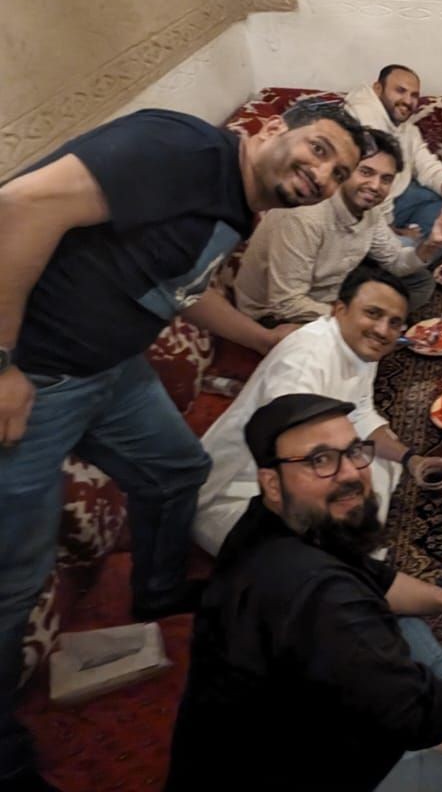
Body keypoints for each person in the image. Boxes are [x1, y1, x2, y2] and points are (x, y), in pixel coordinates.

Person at [0, 102, 364, 789]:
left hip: (112, 370)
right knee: (12, 575)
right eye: (317, 151)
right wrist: (1, 363)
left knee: (176, 470)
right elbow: (18, 206)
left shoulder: (237, 203)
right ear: (275, 128)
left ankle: (158, 593)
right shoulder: (180, 150)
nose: (321, 175)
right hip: (40, 376)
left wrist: (260, 340)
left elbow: (176, 290)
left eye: (336, 172)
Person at [167, 394, 442, 792]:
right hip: (305, 769)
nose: (349, 474)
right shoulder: (318, 595)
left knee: (400, 618)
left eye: (353, 452)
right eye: (319, 460)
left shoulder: (280, 521)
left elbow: (376, 582)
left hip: (294, 716)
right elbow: (411, 714)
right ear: (272, 481)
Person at [194, 266, 442, 555]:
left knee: (383, 458)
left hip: (314, 463)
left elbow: (361, 414)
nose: (383, 330)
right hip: (241, 494)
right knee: (321, 560)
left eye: (394, 323)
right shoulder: (303, 365)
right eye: (373, 314)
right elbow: (290, 467)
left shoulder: (359, 346)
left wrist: (411, 460)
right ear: (339, 309)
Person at [233, 129, 442, 324]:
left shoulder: (369, 211)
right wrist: (360, 321)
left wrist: (430, 244)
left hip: (331, 291)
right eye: (366, 172)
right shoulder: (305, 214)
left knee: (420, 280)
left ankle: (384, 325)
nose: (375, 186)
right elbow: (286, 303)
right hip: (274, 315)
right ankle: (375, 329)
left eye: (386, 179)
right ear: (345, 170)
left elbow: (395, 262)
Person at [345, 64, 442, 233]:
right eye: (400, 91)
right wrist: (392, 231)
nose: (408, 101)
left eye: (414, 95)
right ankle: (405, 248)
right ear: (378, 89)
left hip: (398, 197)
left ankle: (413, 244)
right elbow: (367, 191)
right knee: (440, 228)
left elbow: (427, 166)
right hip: (363, 209)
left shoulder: (406, 128)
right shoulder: (362, 119)